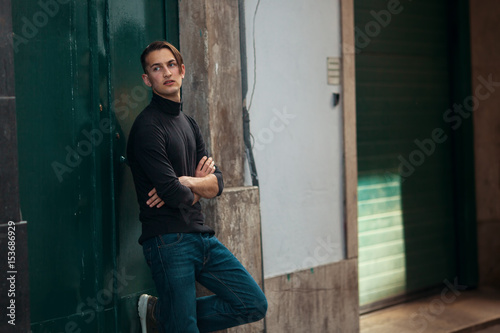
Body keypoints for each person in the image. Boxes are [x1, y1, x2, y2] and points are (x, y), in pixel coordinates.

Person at [127, 41, 267, 333]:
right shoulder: (147, 127)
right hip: (167, 241)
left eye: (170, 65)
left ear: (182, 70)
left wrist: (188, 181)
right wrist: (189, 188)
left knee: (252, 303)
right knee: (184, 327)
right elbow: (172, 192)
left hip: (202, 238)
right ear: (147, 79)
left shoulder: (188, 123)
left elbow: (219, 183)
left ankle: (162, 314)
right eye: (156, 68)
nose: (166, 72)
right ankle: (173, 319)